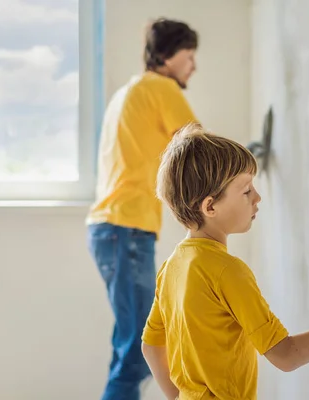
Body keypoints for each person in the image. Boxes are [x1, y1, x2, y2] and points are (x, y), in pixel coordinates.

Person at [140, 124, 309, 400]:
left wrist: (178, 397)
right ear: (210, 207)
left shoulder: (171, 267)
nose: (257, 198)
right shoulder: (227, 271)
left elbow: (150, 346)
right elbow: (286, 356)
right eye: (246, 190)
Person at [86, 18, 200, 400]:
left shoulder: (128, 92)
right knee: (140, 349)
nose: (193, 66)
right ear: (167, 56)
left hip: (110, 230)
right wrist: (246, 162)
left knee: (129, 345)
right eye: (189, 55)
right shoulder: (160, 87)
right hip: (126, 230)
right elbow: (200, 148)